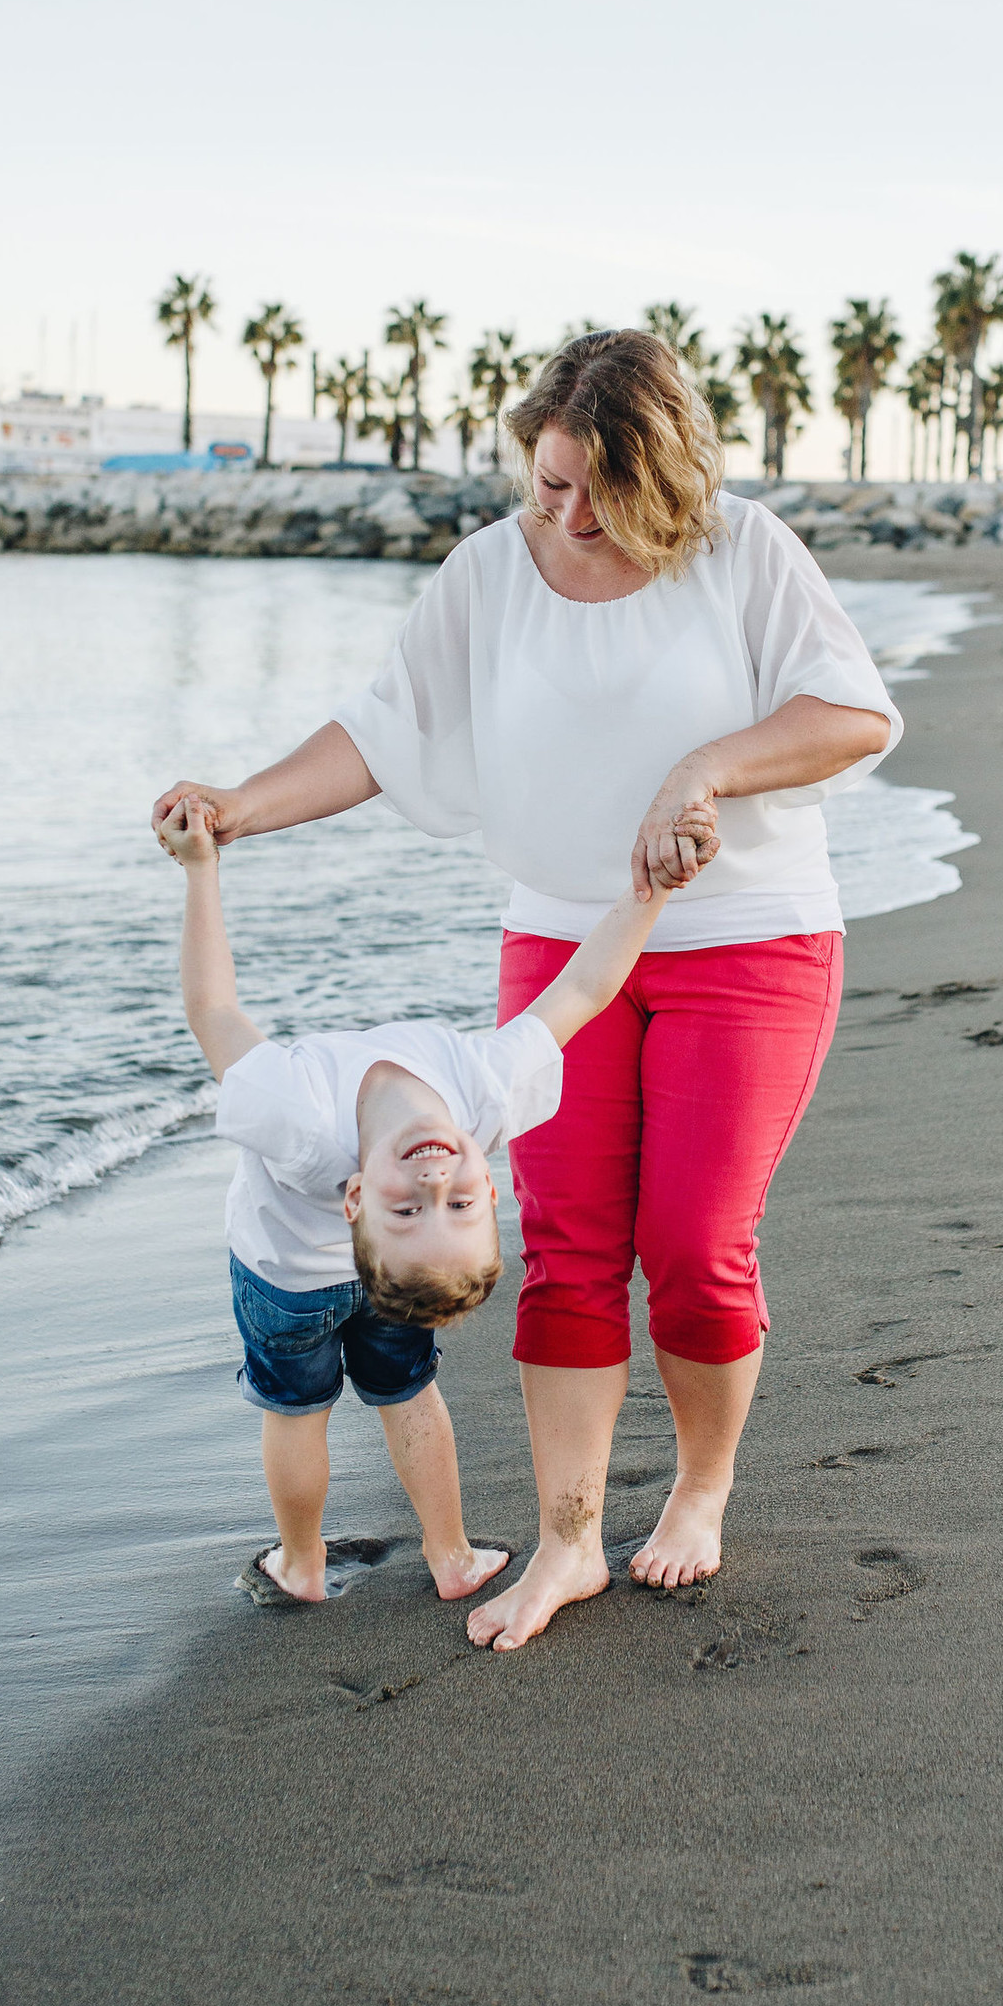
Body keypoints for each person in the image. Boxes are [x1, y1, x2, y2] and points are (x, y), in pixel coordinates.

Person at [153, 327, 899, 1651]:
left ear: (667, 475)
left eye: (598, 493)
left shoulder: (742, 552)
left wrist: (708, 770)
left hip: (750, 942)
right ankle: (564, 1544)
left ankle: (700, 1493)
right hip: (561, 947)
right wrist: (239, 809)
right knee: (562, 1253)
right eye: (547, 484)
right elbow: (385, 732)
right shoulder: (491, 573)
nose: (566, 516)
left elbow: (851, 713)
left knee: (691, 1243)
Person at [156, 778, 710, 1607]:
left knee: (295, 1409)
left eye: (407, 1207)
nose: (431, 1181)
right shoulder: (484, 1092)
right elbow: (584, 989)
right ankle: (449, 1557)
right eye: (455, 1203)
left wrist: (201, 871)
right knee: (406, 1394)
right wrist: (654, 890)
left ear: (355, 1202)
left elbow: (211, 1008)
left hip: (283, 1284)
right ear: (489, 1186)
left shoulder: (295, 1116)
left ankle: (301, 1564)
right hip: (374, 1287)